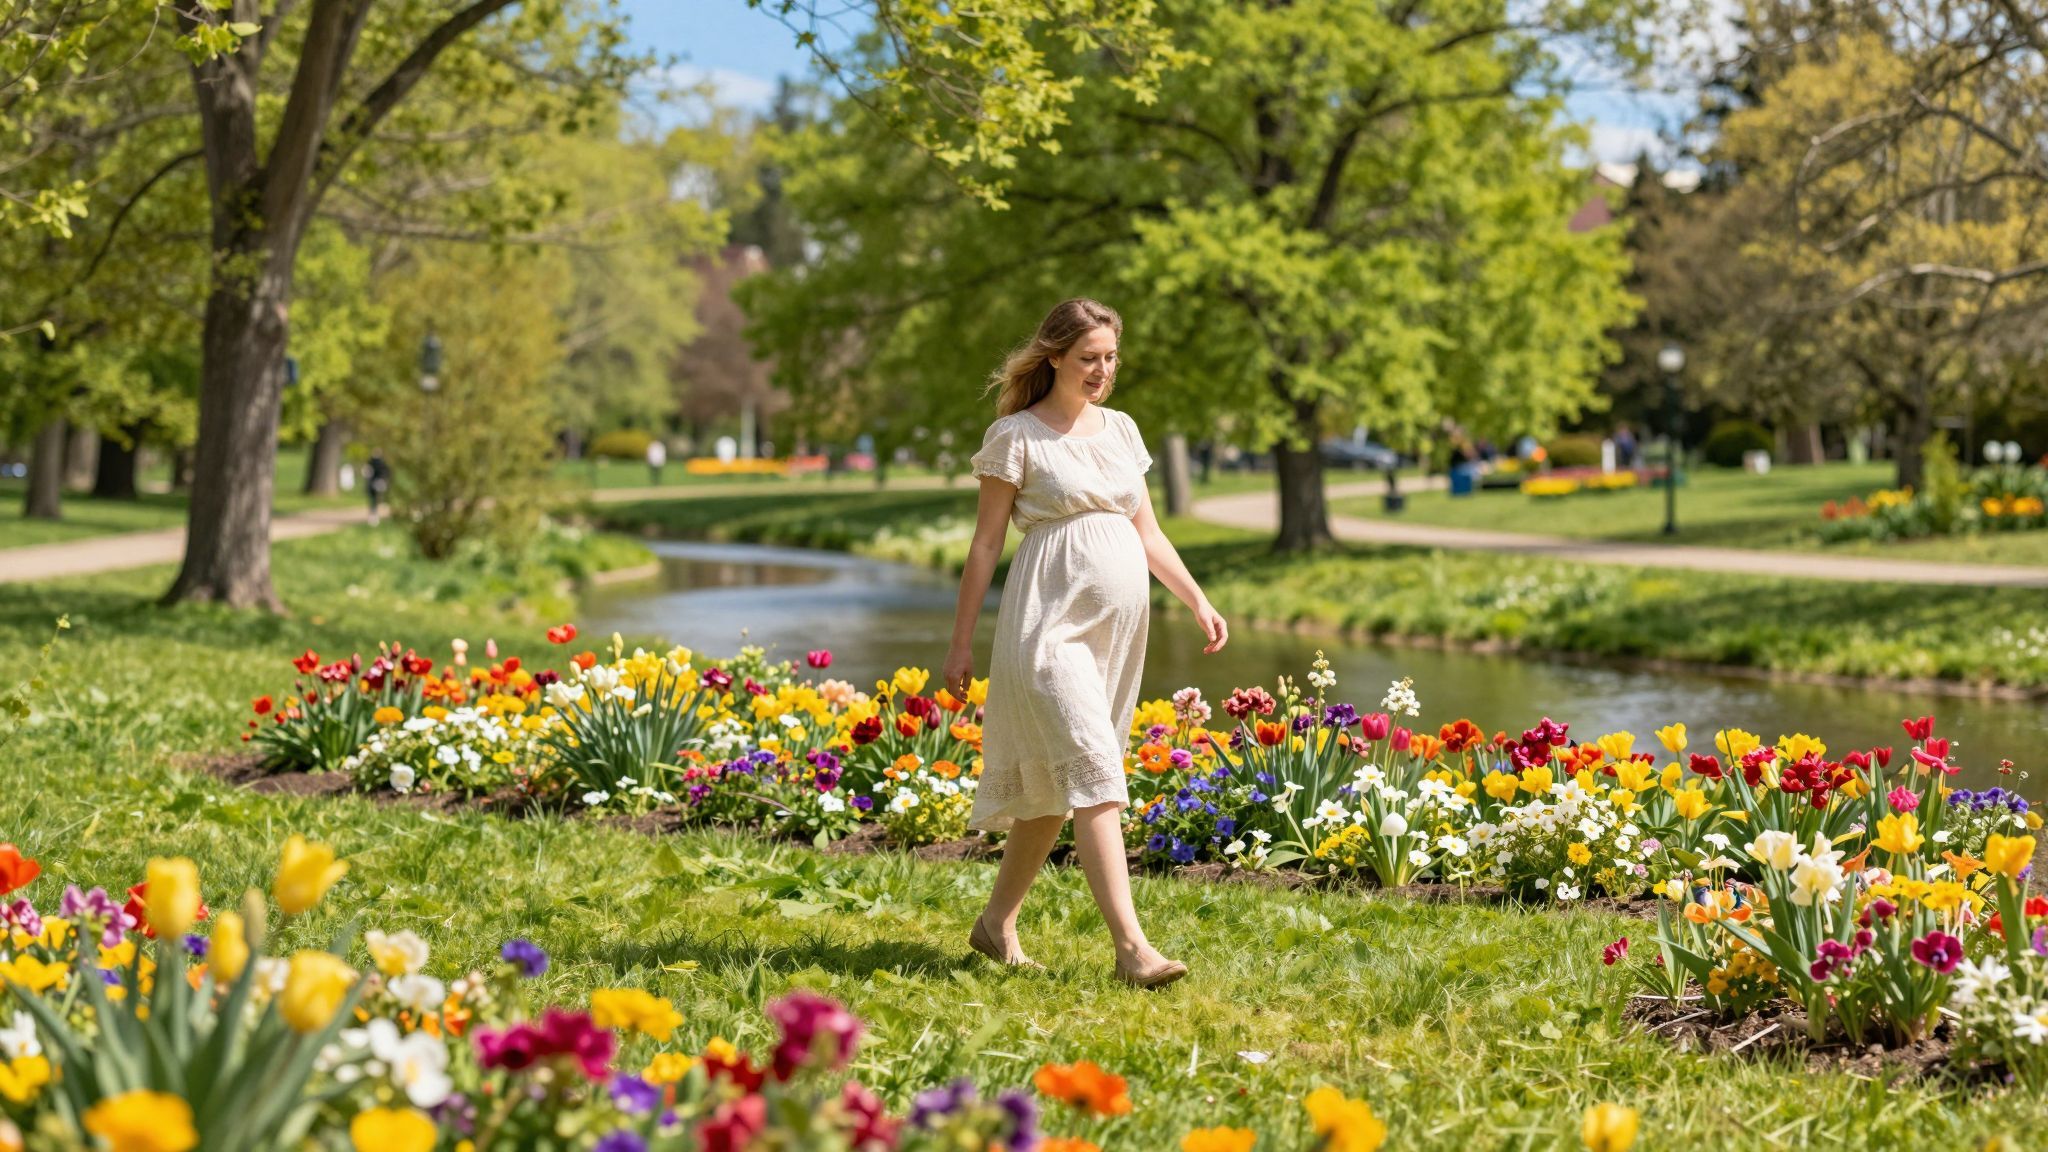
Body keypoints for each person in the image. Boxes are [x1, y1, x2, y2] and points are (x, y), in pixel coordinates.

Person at [944, 298, 1229, 990]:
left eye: (1109, 358)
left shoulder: (1122, 430)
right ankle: (1133, 949)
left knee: (1054, 790)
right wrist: (958, 645)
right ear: (1054, 358)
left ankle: (996, 925)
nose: (1101, 371)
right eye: (1088, 359)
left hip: (1115, 634)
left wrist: (1197, 598)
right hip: (1046, 627)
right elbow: (984, 546)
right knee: (1096, 768)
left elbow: (1149, 532)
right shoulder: (1016, 436)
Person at [365, 452, 391, 526]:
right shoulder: (379, 463)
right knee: (375, 500)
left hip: (376, 484)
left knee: (375, 501)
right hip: (375, 484)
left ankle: (376, 515)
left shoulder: (373, 462)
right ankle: (375, 516)